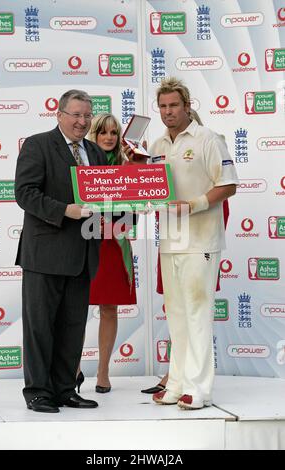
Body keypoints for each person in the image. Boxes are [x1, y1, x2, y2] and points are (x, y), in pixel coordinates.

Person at [15, 89, 108, 413]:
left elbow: (106, 199)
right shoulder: (38, 144)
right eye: (76, 115)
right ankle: (39, 391)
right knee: (40, 327)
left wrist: (133, 205)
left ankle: (66, 388)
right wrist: (63, 210)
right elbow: (25, 193)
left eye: (87, 115)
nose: (82, 121)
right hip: (44, 254)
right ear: (59, 114)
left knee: (73, 327)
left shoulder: (96, 152)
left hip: (83, 254)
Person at [149, 77, 239, 409]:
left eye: (174, 105)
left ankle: (199, 389)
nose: (168, 111)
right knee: (175, 314)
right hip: (170, 240)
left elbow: (228, 184)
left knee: (198, 312)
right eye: (163, 106)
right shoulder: (157, 145)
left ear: (188, 106)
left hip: (201, 238)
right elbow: (153, 190)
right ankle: (176, 383)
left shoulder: (208, 138)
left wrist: (194, 205)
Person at [76, 113, 137, 394]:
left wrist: (111, 226)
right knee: (75, 309)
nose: (109, 137)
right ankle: (73, 369)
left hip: (113, 246)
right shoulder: (81, 163)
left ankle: (103, 371)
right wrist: (93, 222)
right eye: (103, 132)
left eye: (114, 132)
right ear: (94, 135)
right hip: (84, 244)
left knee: (109, 309)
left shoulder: (128, 167)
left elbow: (132, 218)